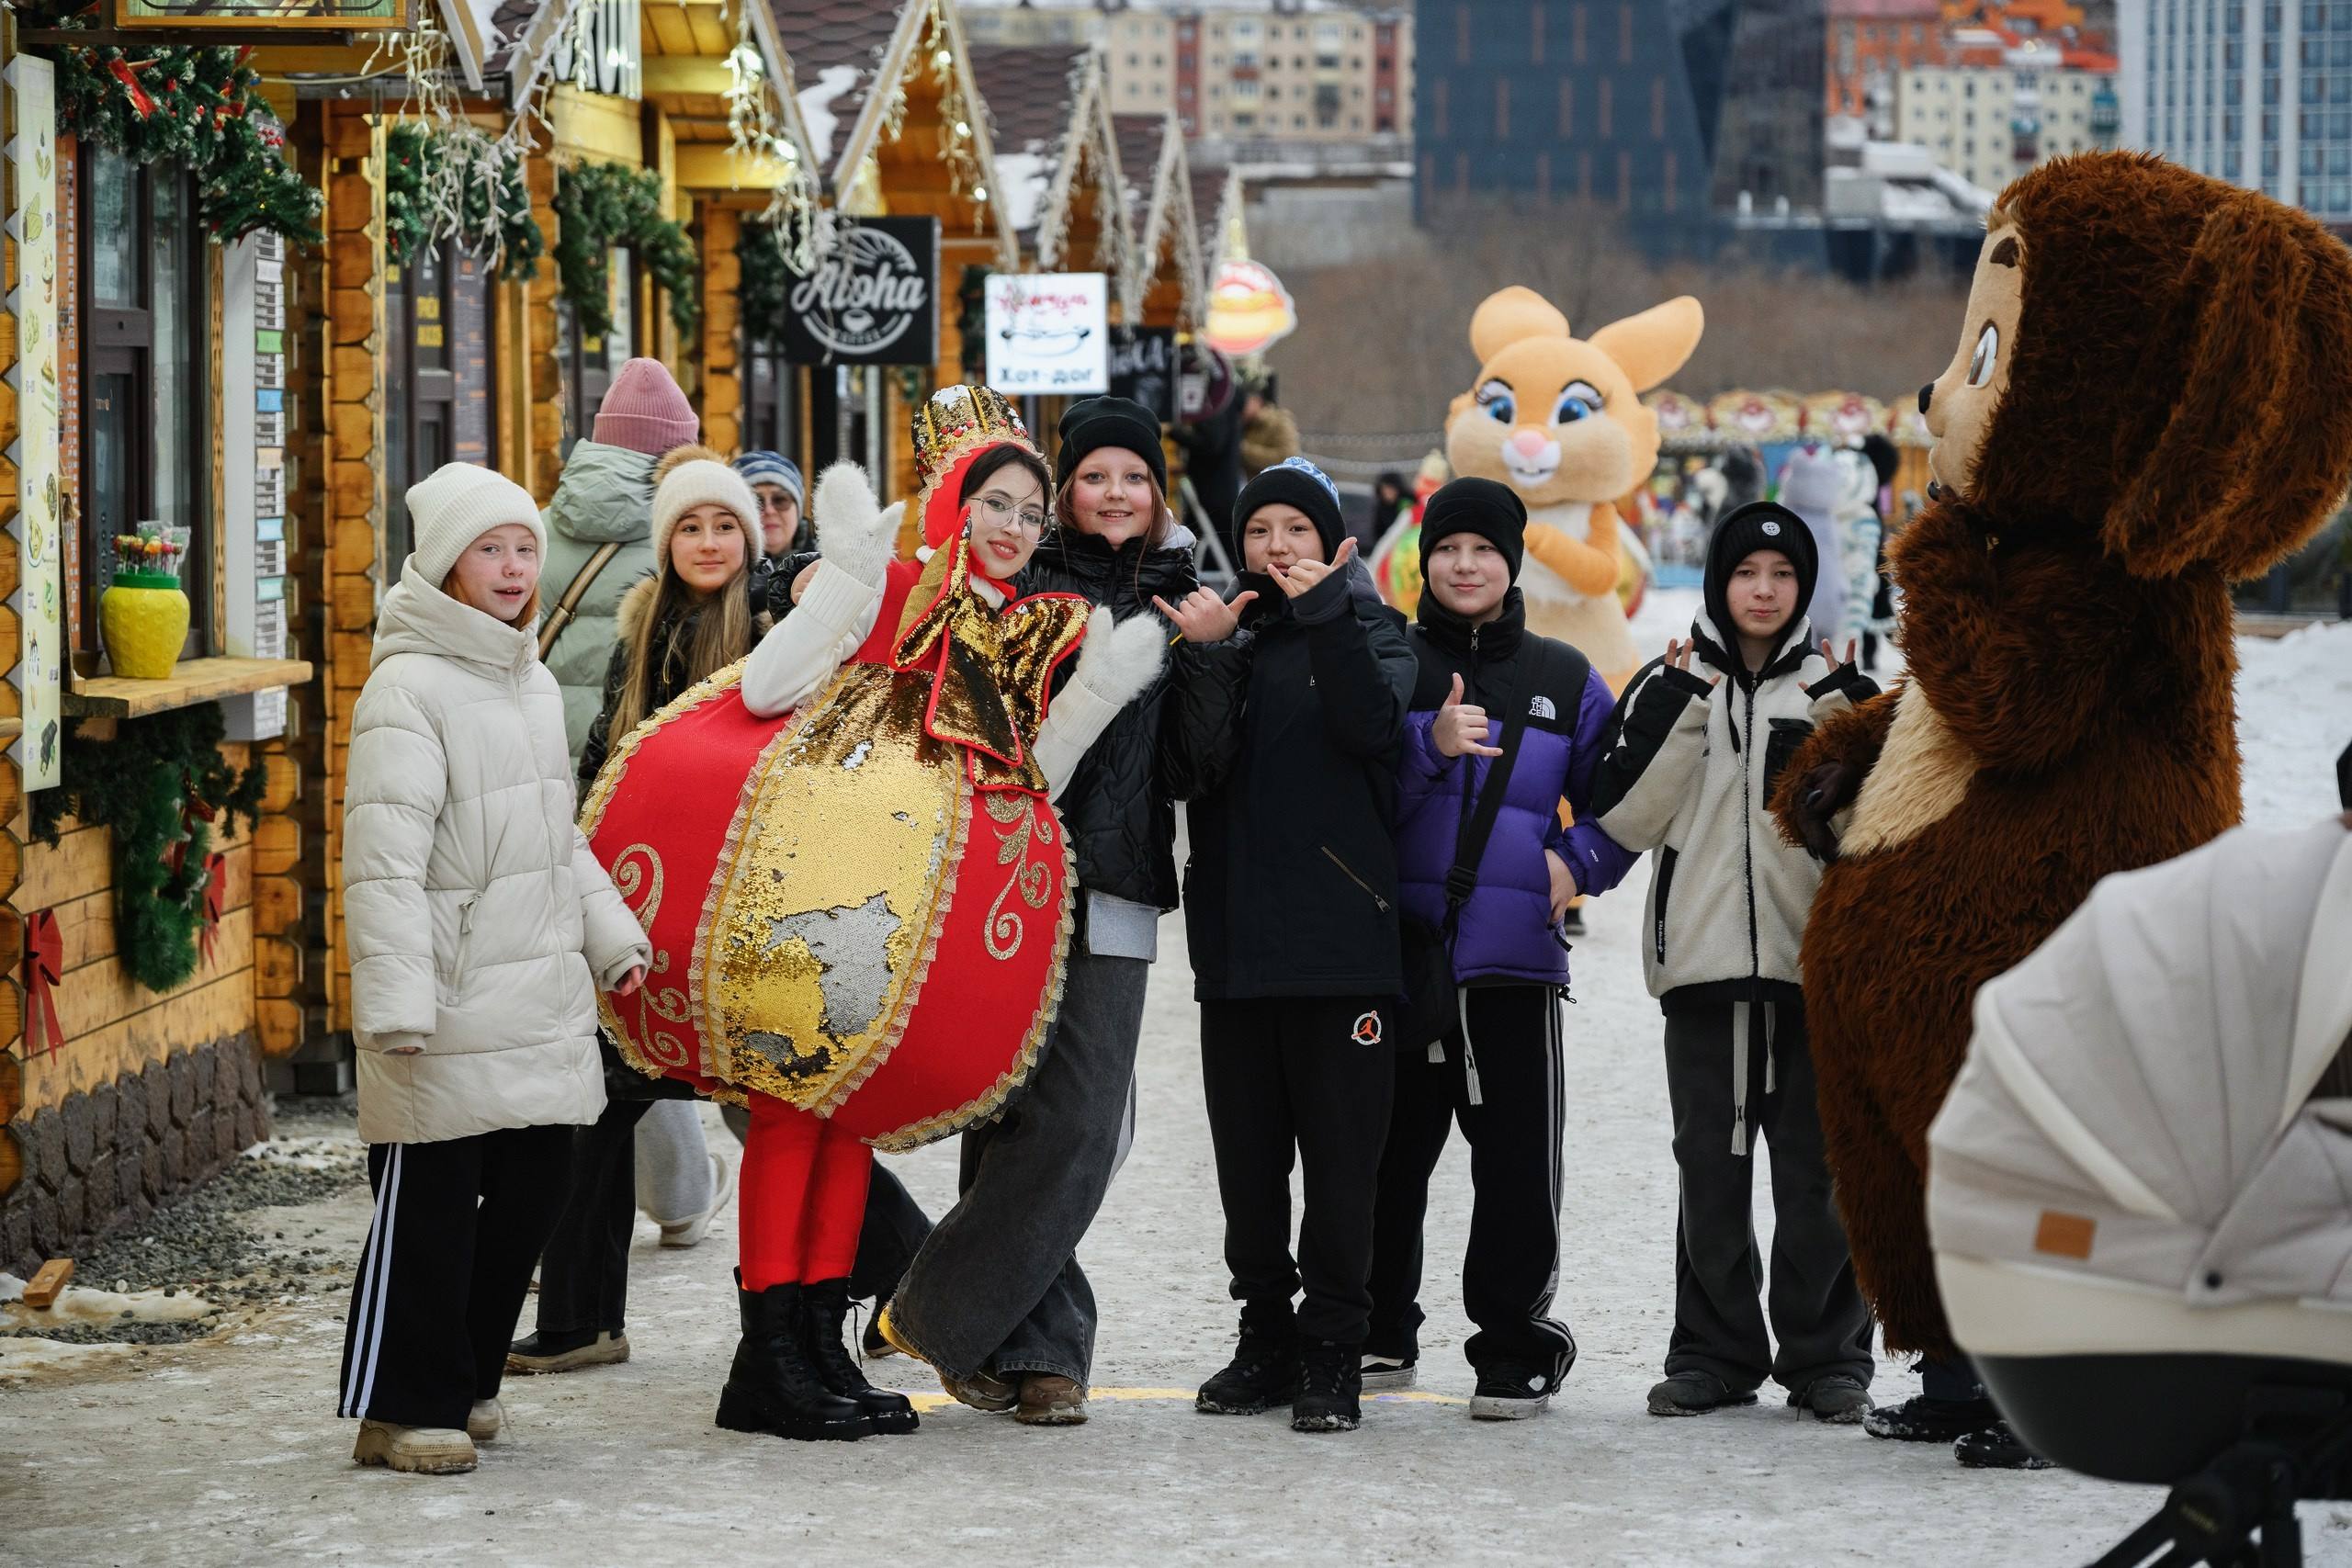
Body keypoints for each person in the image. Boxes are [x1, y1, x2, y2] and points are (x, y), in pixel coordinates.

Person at [582, 386, 1167, 1443]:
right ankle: (766, 1355)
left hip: (900, 926)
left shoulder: (1029, 633)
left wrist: (1089, 699)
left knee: (845, 1119)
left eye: (1030, 515)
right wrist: (841, 583)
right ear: (952, 500)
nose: (1014, 528)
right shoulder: (890, 586)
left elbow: (1029, 780)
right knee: (793, 1114)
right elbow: (762, 689)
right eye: (996, 503)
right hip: (814, 895)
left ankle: (810, 1344)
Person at [879, 396, 1227, 1426]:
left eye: (1133, 476)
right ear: (1064, 493)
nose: (1112, 493)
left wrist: (1207, 656)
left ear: (1156, 492)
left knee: (1080, 1125)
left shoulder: (1187, 601)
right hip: (999, 876)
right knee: (1005, 1111)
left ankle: (938, 1310)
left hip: (1116, 883)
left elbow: (1199, 769)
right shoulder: (1020, 582)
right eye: (1093, 477)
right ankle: (1041, 1358)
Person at [337, 462, 651, 1474]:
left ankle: (466, 1375)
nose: (515, 568)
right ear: (444, 565)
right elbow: (381, 857)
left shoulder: (527, 675)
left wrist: (612, 937)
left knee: (538, 1183)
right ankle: (400, 1406)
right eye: (491, 549)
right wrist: (393, 1001)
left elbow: (554, 835)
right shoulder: (408, 686)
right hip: (447, 990)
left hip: (537, 982)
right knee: (431, 1203)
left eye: (524, 547)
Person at [1587, 501, 1878, 1424]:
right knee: (1709, 1167)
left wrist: (1844, 715)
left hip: (1812, 973)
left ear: (1803, 588)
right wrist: (1678, 708)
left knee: (1815, 1172)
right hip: (1702, 970)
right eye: (1746, 573)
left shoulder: (1842, 692)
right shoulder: (1669, 682)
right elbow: (1622, 815)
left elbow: (1876, 829)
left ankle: (1826, 1357)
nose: (1762, 590)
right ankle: (1712, 1353)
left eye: (1781, 575)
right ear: (1717, 583)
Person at [1363, 478, 1639, 1420]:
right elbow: (1352, 801)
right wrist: (1428, 746)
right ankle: (1374, 1328)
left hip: (1512, 959)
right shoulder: (1387, 661)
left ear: (1511, 560)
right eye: (1447, 549)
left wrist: (1582, 863)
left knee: (1516, 1162)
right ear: (1423, 559)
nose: (1465, 565)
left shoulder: (1565, 678)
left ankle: (1511, 1347)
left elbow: (1621, 801)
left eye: (1483, 548)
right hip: (1399, 953)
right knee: (1384, 1156)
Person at [511, 446, 776, 1375]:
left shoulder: (779, 626)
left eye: (724, 525)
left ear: (749, 536)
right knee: (598, 1101)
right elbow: (601, 761)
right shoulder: (642, 626)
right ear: (662, 545)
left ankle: (907, 1287)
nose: (708, 542)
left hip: (756, 916)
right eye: (689, 528)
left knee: (781, 1112)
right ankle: (581, 1319)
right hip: (649, 905)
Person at [1182, 457, 1418, 1435]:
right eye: (1261, 530)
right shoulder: (1229, 636)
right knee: (1247, 1167)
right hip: (1236, 948)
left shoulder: (1374, 630)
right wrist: (1203, 657)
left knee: (1340, 1166)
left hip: (1341, 948)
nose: (1277, 548)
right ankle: (1265, 1335)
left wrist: (1324, 618)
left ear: (1331, 543)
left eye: (1297, 530)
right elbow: (1194, 770)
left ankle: (1332, 1348)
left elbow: (1371, 728)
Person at [733, 449, 810, 561]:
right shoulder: (721, 574)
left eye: (780, 500)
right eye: (756, 502)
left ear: (798, 509)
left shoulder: (830, 567)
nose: (769, 511)